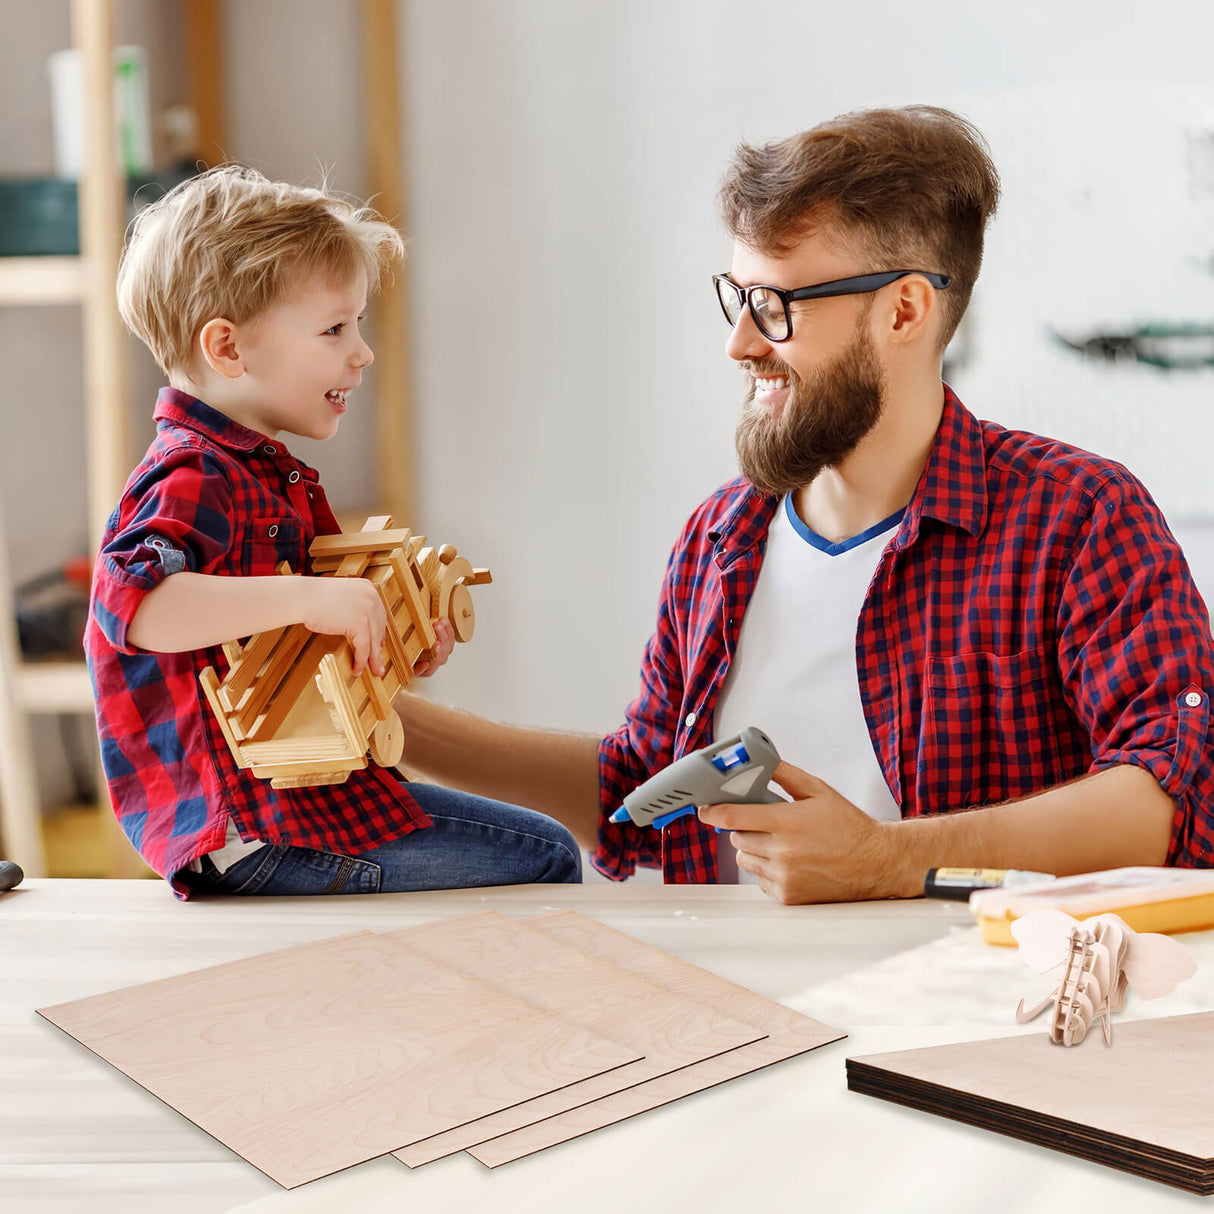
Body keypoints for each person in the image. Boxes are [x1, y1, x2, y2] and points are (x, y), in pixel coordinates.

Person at [393, 104, 1214, 903]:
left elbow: (1164, 806)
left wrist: (887, 860)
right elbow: (647, 794)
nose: (740, 342)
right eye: (737, 296)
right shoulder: (721, 535)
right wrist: (396, 724)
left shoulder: (1079, 518)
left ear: (903, 311)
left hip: (957, 1028)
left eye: (777, 305)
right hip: (737, 1028)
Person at [84, 165, 581, 899]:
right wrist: (308, 599)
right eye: (333, 329)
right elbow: (135, 608)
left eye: (359, 325)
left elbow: (297, 656)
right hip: (250, 828)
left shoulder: (265, 474)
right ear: (227, 349)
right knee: (547, 857)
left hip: (302, 804)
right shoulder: (192, 474)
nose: (362, 352)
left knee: (540, 848)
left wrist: (391, 642)